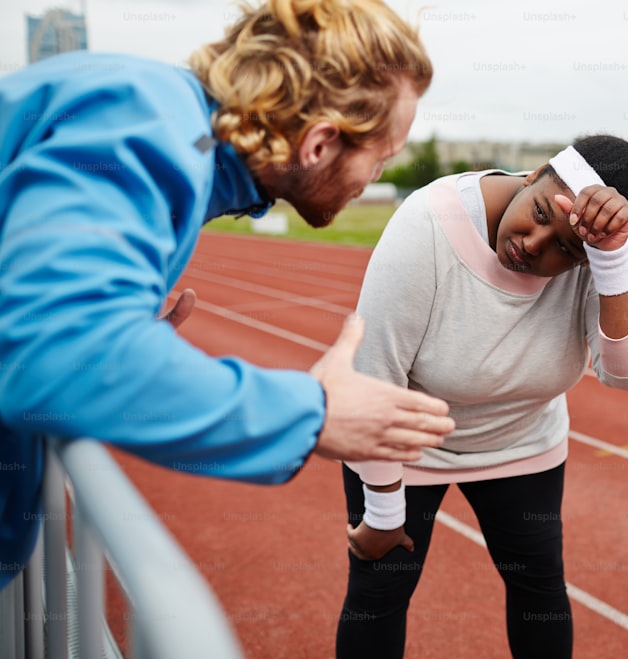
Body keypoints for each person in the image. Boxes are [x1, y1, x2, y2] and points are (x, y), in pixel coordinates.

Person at [0, 0, 456, 591]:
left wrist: (120, 337)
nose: (375, 177)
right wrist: (313, 414)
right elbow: (53, 355)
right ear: (319, 143)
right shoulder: (145, 121)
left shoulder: (163, 124)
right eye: (381, 158)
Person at [336, 130, 628, 659]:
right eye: (540, 212)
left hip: (521, 443)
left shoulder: (606, 250)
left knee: (539, 589)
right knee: (379, 595)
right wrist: (382, 512)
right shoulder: (429, 224)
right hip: (406, 438)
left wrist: (610, 257)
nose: (533, 244)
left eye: (565, 249)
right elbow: (371, 376)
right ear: (535, 173)